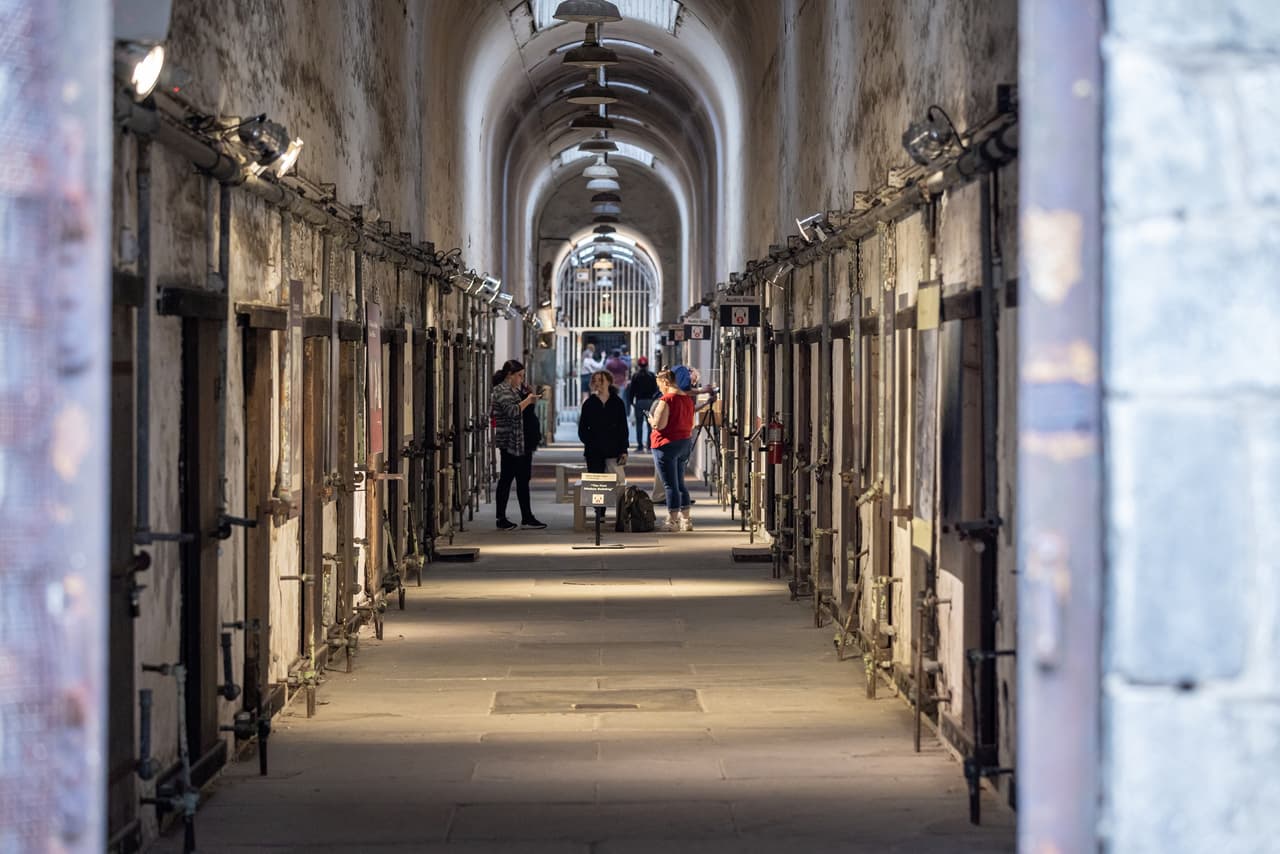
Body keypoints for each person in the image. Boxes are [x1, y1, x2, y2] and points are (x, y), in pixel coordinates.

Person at [491, 360, 547, 530]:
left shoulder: (514, 390)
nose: (521, 379)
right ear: (510, 375)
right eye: (519, 376)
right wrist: (528, 400)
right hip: (511, 442)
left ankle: (527, 516)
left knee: (523, 480)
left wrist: (528, 397)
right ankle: (501, 518)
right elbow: (513, 411)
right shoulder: (502, 390)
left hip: (521, 441)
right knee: (507, 479)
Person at [647, 366, 695, 532]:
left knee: (669, 485)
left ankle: (673, 520)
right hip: (684, 443)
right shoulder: (688, 400)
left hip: (666, 445)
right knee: (680, 483)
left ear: (666, 382)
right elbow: (692, 424)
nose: (659, 388)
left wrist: (651, 420)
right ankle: (686, 519)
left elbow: (659, 425)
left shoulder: (666, 400)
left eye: (660, 384)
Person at [578, 370, 630, 518]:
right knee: (597, 483)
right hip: (594, 450)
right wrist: (589, 441)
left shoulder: (617, 402)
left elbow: (623, 428)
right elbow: (582, 428)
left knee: (615, 482)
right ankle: (599, 512)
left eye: (601, 380)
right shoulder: (589, 403)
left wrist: (624, 449)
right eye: (595, 381)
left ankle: (620, 513)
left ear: (608, 381)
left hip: (613, 449)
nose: (598, 383)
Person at [625, 356, 658, 452]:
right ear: (647, 365)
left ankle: (640, 446)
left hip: (639, 402)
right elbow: (655, 390)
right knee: (649, 425)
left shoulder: (635, 376)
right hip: (649, 403)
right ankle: (649, 445)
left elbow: (631, 391)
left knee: (639, 424)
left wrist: (631, 402)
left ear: (639, 366)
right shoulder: (652, 376)